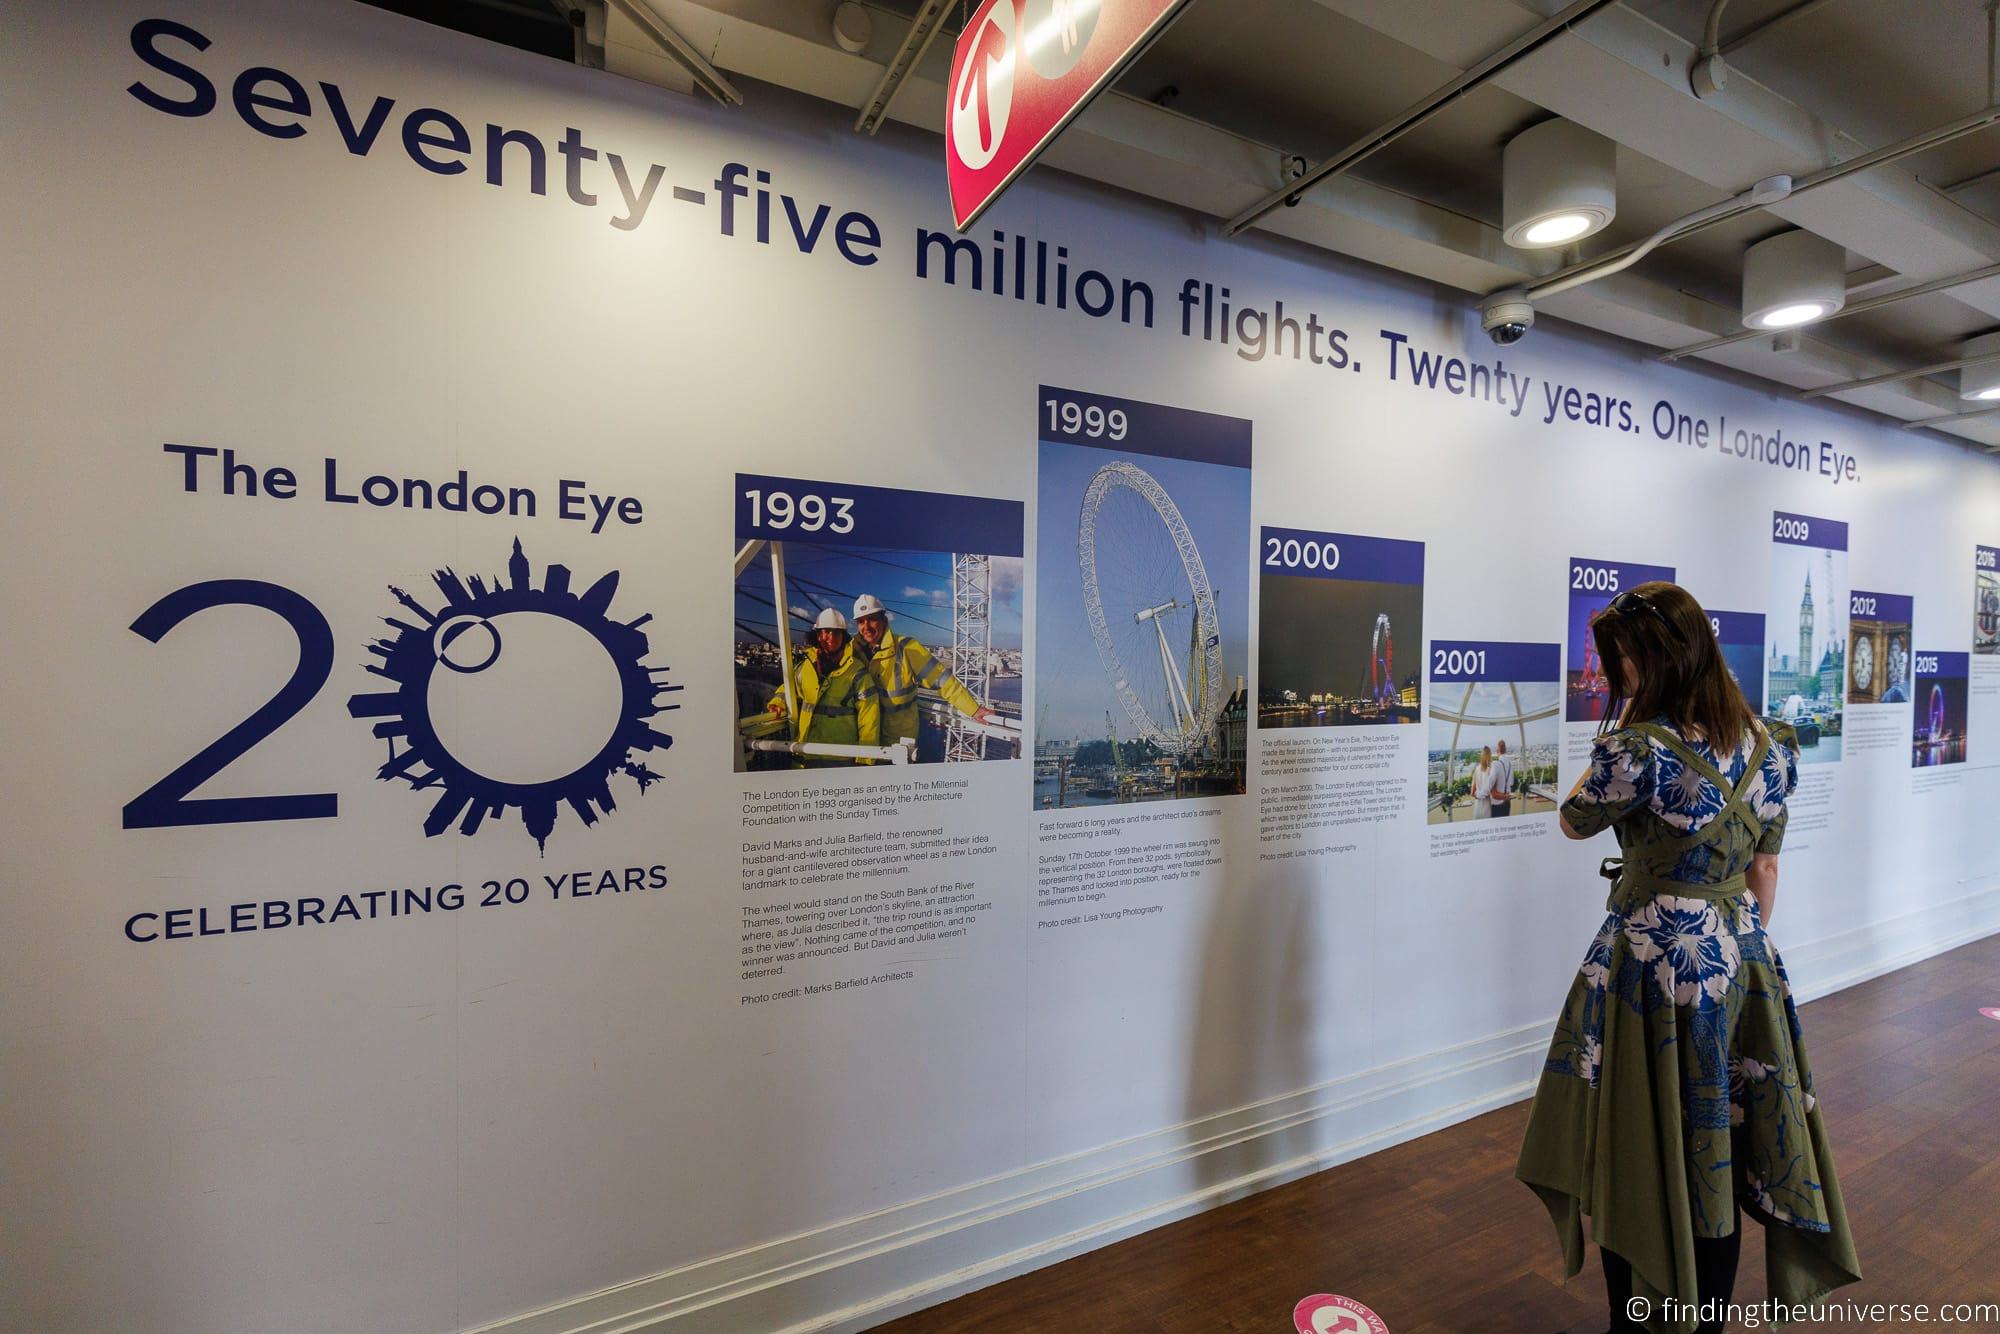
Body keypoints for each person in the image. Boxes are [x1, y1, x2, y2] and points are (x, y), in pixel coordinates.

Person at [1516, 583, 1860, 1334]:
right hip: (1743, 961)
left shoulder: (1634, 750)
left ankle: (1641, 1315)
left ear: (1653, 661)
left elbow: (1575, 820)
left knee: (1640, 1145)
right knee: (1720, 1147)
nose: (1620, 676)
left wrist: (1631, 725)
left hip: (1652, 971)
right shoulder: (1775, 748)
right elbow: (1766, 871)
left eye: (1625, 661)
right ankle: (1705, 1319)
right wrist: (1736, 950)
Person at [851, 593, 999, 748]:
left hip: (898, 742)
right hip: (864, 739)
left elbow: (943, 682)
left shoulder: (906, 648)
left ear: (884, 620)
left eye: (872, 619)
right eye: (861, 621)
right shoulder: (853, 652)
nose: (866, 627)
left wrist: (973, 709)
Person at [766, 608, 881, 765]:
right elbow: (788, 688)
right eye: (826, 631)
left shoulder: (856, 671)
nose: (831, 637)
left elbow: (869, 717)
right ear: (818, 635)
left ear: (844, 637)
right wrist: (777, 703)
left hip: (840, 759)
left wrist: (865, 759)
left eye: (837, 632)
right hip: (804, 754)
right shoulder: (805, 666)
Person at [1490, 738, 1515, 817]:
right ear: (1505, 749)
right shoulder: (1510, 764)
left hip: (1498, 801)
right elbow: (1511, 782)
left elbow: (1490, 784)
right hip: (1507, 800)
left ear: (1497, 750)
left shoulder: (1496, 764)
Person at [1471, 746, 1496, 818]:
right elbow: (1492, 792)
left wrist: (1479, 796)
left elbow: (1472, 793)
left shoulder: (1477, 769)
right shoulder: (1492, 769)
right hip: (1487, 805)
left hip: (1478, 806)